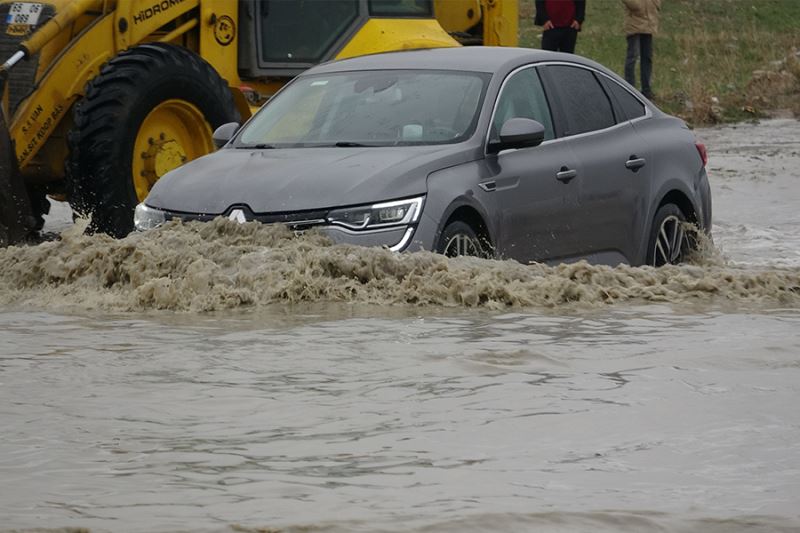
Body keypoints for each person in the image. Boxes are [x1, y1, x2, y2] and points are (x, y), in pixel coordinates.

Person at [622, 0, 661, 99]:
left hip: (649, 22)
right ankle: (630, 88)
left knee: (647, 58)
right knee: (632, 57)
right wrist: (637, 5)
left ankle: (646, 90)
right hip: (634, 23)